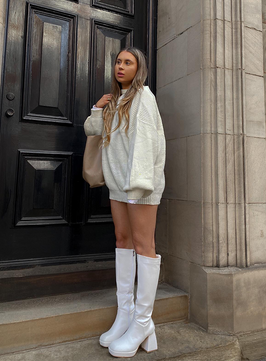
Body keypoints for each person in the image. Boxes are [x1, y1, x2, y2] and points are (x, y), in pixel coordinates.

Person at [83, 47, 166, 358]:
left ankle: (143, 322)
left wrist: (139, 185)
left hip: (139, 184)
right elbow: (91, 130)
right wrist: (97, 107)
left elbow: (146, 143)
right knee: (122, 240)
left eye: (127, 62)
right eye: (118, 61)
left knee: (144, 245)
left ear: (138, 68)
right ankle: (126, 314)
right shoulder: (115, 99)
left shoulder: (144, 97)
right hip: (119, 183)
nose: (120, 66)